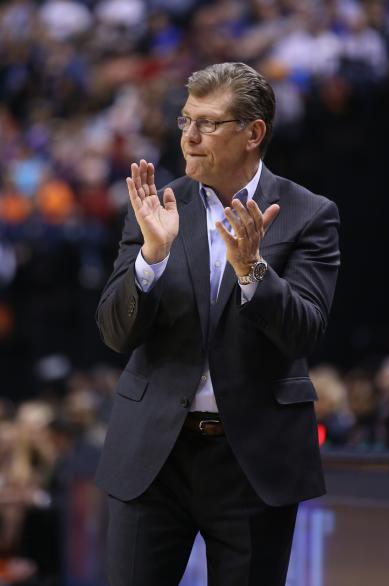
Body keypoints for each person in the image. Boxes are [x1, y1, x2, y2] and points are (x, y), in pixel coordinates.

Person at [95, 62, 340, 586]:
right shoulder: (156, 206)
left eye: (208, 123)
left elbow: (304, 332)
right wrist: (152, 259)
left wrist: (253, 268)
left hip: (251, 461)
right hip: (153, 457)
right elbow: (116, 332)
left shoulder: (309, 214)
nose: (189, 137)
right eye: (186, 120)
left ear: (253, 133)